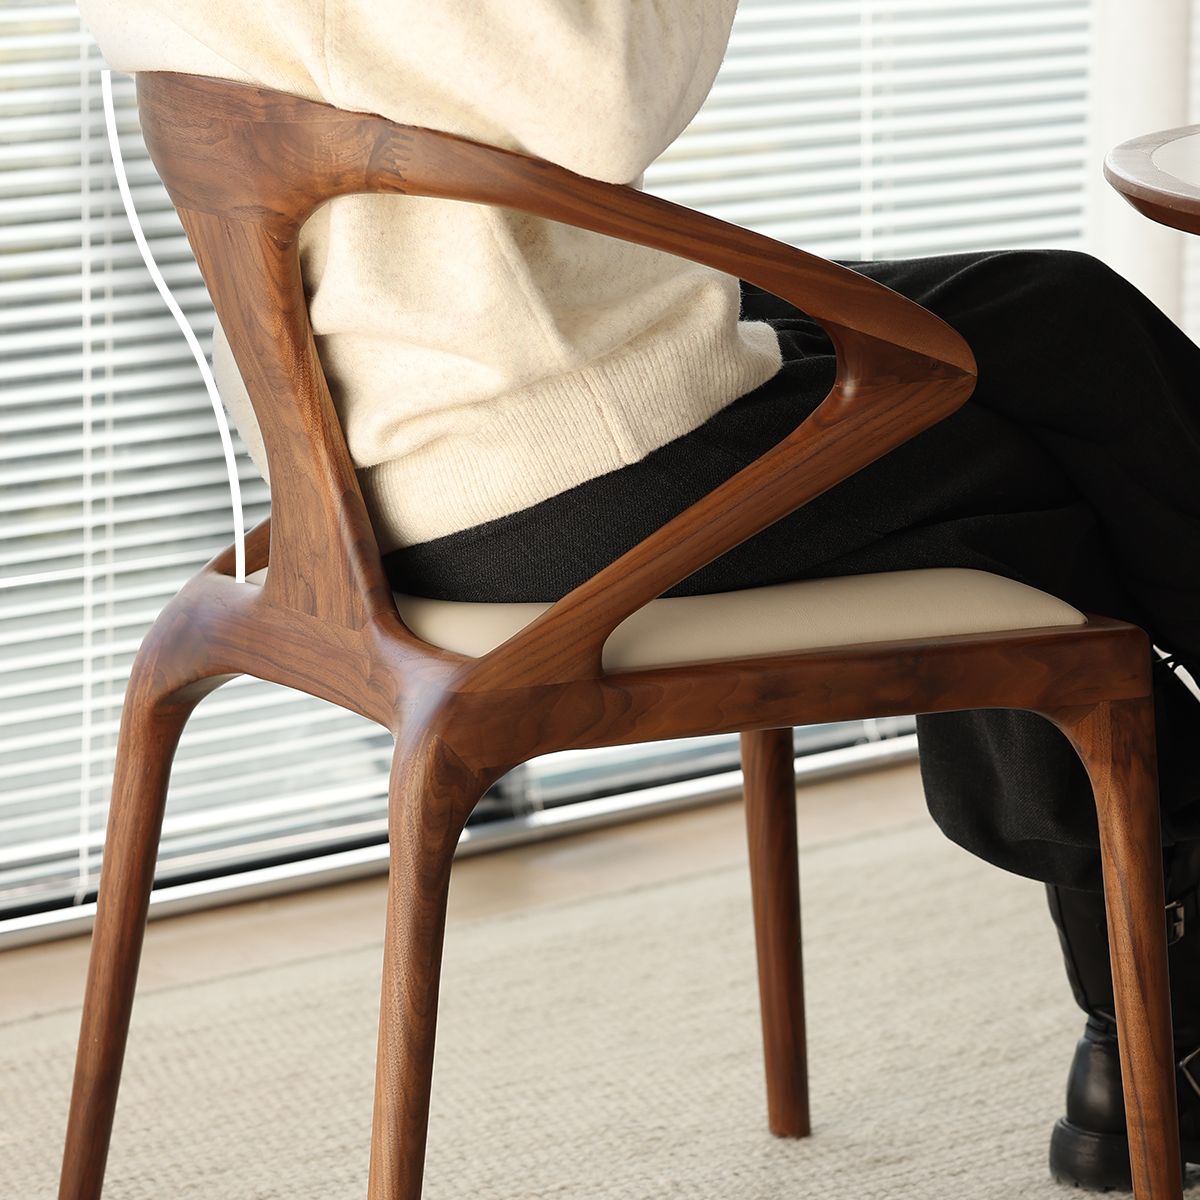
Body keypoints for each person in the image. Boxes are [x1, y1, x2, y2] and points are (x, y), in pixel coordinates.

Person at [78, 0, 1200, 1187]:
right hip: (550, 467)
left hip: (429, 426)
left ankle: (1133, 1036)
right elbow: (594, 89)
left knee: (1055, 316)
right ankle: (1153, 1022)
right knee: (1032, 496)